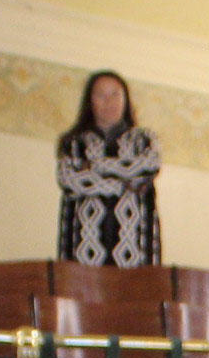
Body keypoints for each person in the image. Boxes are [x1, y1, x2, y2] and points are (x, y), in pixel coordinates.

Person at [55, 69, 160, 268]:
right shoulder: (74, 143)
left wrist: (94, 166)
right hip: (82, 259)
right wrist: (123, 185)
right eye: (100, 95)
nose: (108, 101)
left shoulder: (143, 140)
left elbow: (149, 165)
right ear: (90, 101)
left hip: (136, 260)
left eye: (115, 94)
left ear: (126, 99)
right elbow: (69, 180)